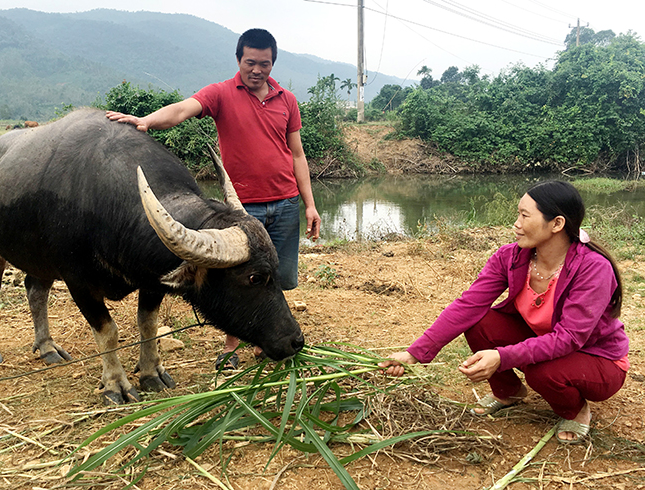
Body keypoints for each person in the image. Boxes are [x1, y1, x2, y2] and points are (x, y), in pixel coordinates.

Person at [106, 28, 321, 371]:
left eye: (264, 64)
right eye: (250, 62)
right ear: (239, 60)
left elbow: (297, 155)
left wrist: (309, 204)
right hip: (239, 212)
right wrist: (146, 120)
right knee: (235, 278)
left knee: (273, 277)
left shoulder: (287, 100)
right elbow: (181, 110)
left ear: (272, 64)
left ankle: (266, 340)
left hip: (284, 202)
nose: (256, 70)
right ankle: (231, 348)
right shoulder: (221, 93)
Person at [379, 181, 629, 444]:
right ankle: (508, 392)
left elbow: (570, 338)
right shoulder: (510, 257)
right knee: (479, 322)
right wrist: (414, 353)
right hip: (544, 341)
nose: (516, 224)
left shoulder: (593, 268)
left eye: (524, 216)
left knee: (542, 372)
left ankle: (576, 410)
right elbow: (468, 305)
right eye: (517, 214)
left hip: (596, 359)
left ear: (556, 224)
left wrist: (502, 356)